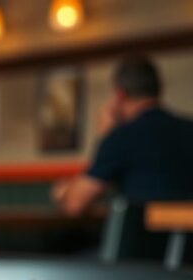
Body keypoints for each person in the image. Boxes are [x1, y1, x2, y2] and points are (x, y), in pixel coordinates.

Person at [53, 55, 193, 216]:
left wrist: (105, 137)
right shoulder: (189, 129)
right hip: (186, 239)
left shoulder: (121, 138)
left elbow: (74, 205)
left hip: (138, 239)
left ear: (120, 95)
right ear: (159, 89)